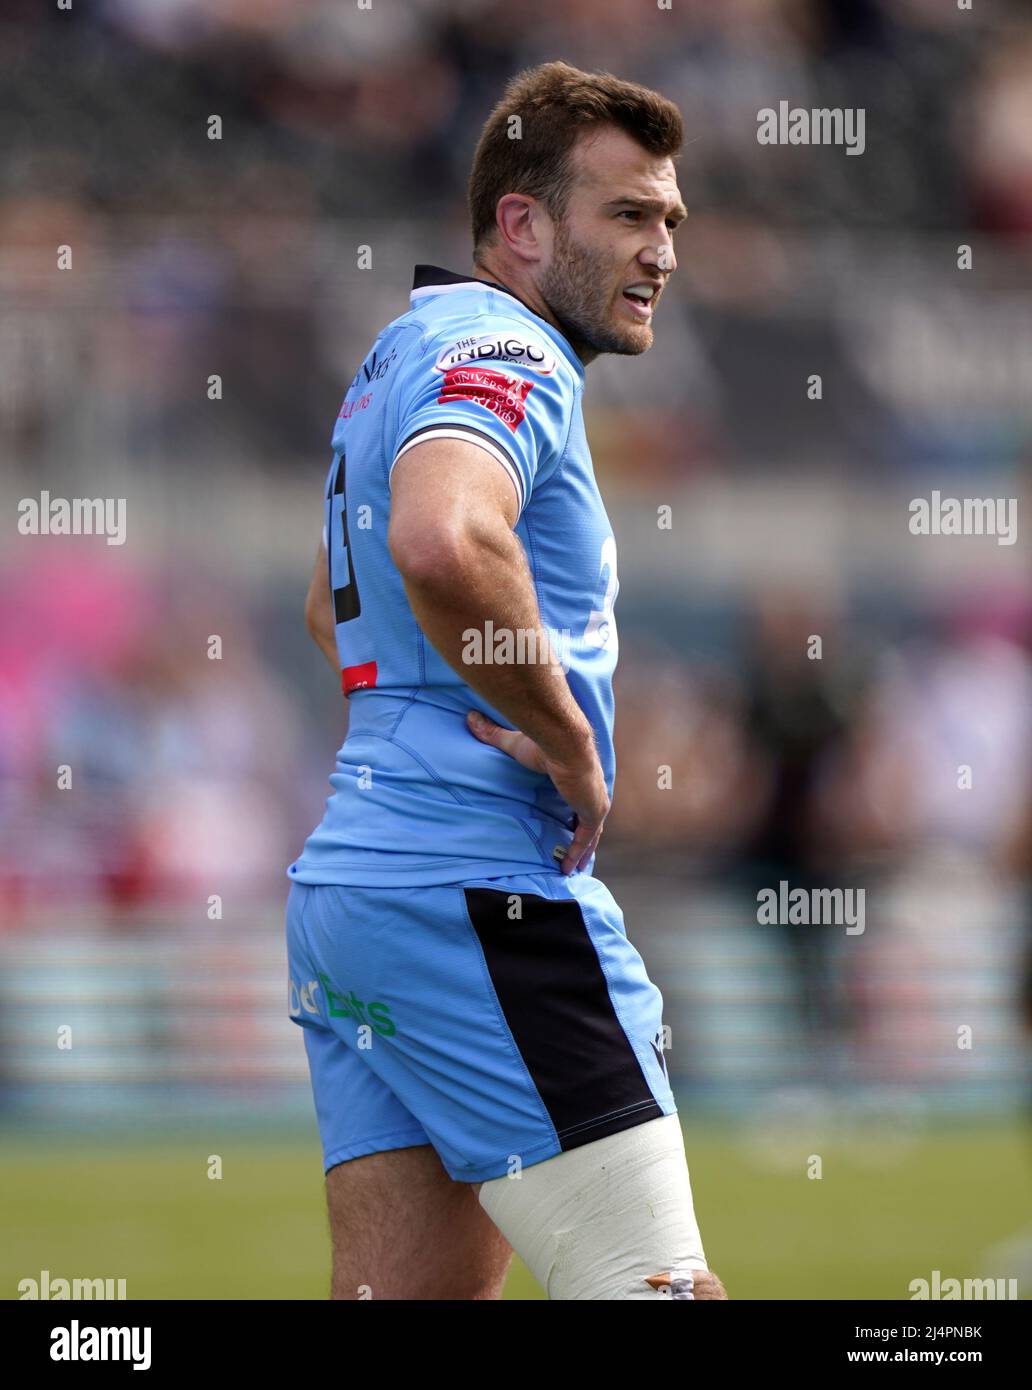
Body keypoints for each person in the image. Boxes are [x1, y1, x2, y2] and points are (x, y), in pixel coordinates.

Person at [285, 60, 725, 1301]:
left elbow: (329, 607)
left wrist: (416, 734)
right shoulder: (503, 343)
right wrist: (571, 739)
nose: (663, 251)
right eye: (628, 215)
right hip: (479, 888)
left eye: (671, 219)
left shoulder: (400, 349)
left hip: (357, 884)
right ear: (521, 227)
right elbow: (443, 538)